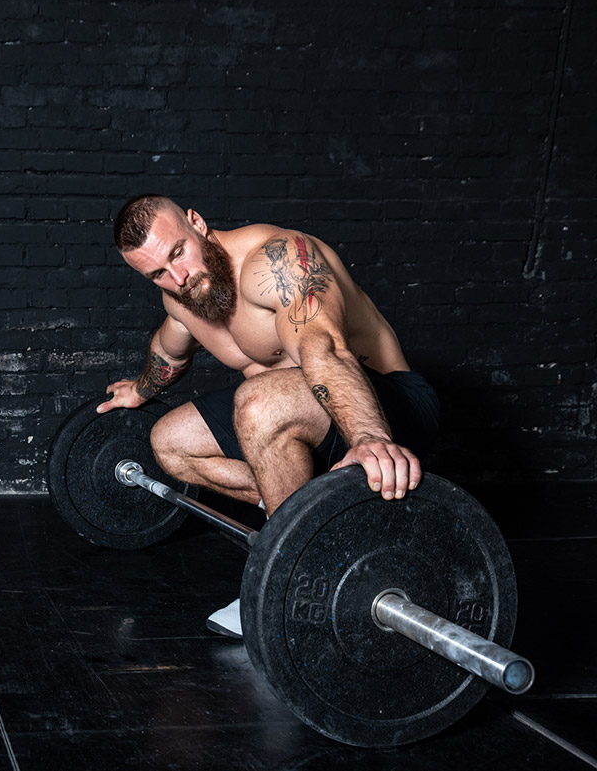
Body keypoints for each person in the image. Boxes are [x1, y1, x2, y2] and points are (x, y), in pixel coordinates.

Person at [99, 194, 439, 637]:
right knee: (170, 441)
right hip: (294, 414)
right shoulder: (183, 300)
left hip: (384, 403)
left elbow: (324, 348)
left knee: (257, 402)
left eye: (178, 253)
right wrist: (140, 390)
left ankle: (287, 585)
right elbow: (169, 352)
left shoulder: (278, 260)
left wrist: (370, 437)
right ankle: (311, 522)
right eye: (158, 274)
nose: (178, 278)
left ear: (196, 223)